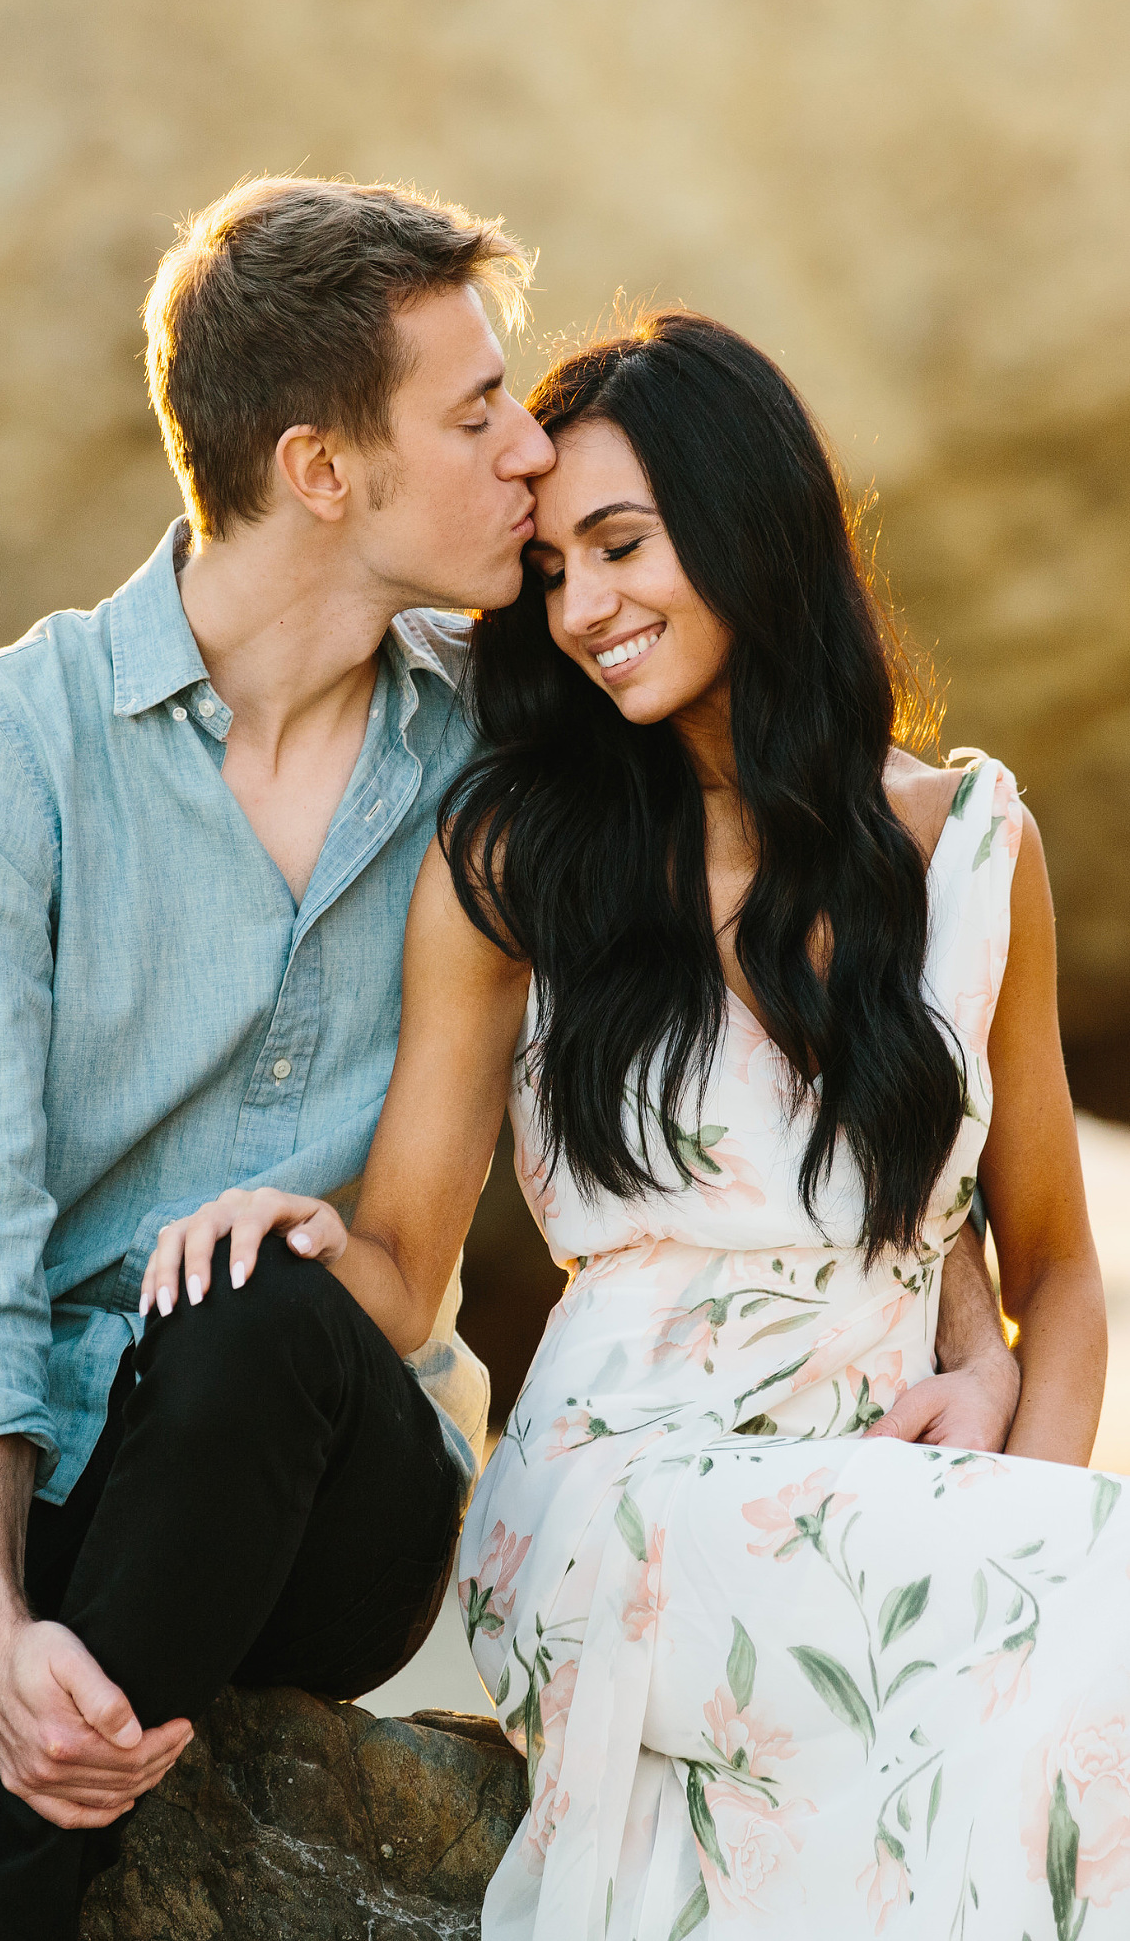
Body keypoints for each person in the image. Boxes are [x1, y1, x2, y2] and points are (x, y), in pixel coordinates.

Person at [149, 312, 1115, 1938]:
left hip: (883, 1500)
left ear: (748, 521)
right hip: (620, 1499)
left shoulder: (968, 851)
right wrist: (308, 1249)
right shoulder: (518, 861)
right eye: (551, 573)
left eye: (621, 545)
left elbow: (1060, 1270)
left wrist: (1012, 1502)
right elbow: (405, 1252)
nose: (583, 609)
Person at [0, 176, 559, 1941]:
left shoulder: (505, 753)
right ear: (320, 469)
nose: (530, 451)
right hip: (29, 1473)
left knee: (243, 1306)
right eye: (473, 415)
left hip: (321, 1481)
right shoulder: (4, 752)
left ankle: (6, 1899)